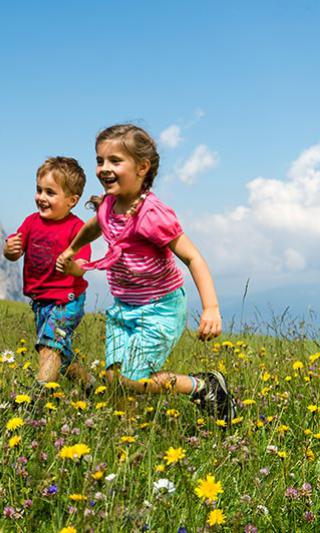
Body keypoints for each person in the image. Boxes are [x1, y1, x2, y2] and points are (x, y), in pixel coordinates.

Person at [56, 124, 235, 423]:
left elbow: (192, 257)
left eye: (115, 161)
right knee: (115, 378)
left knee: (130, 379)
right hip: (125, 307)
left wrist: (211, 307)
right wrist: (72, 249)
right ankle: (130, 438)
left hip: (159, 308)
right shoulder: (109, 205)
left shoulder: (152, 215)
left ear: (142, 167)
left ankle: (203, 386)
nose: (104, 168)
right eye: (100, 160)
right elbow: (94, 225)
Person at [4, 156, 96, 392]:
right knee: (61, 355)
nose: (41, 198)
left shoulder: (77, 229)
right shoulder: (31, 222)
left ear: (71, 200)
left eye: (50, 193)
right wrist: (10, 250)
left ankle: (37, 398)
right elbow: (15, 251)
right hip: (40, 303)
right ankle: (92, 385)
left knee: (50, 346)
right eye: (39, 190)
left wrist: (71, 266)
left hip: (66, 301)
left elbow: (83, 265)